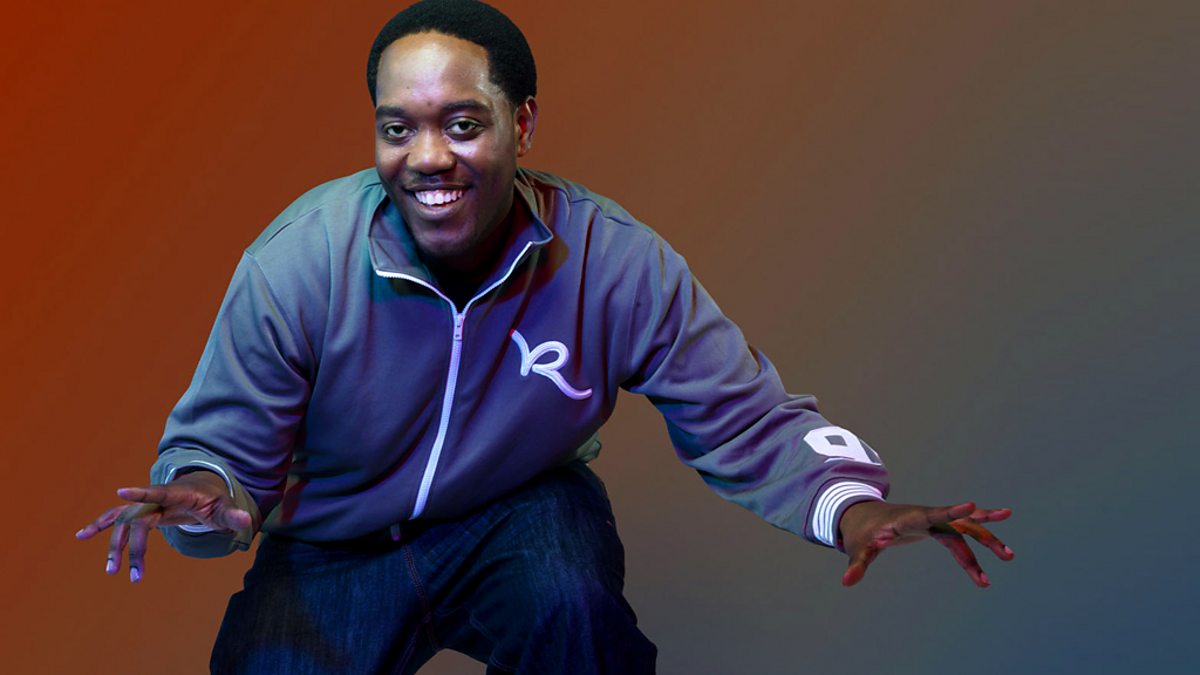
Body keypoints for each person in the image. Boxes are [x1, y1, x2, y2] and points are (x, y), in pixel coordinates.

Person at [76, 1, 1013, 672]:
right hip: (334, 544)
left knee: (575, 615)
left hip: (517, 514)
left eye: (463, 123)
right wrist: (209, 494)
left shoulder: (610, 259)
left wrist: (851, 509)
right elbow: (223, 453)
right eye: (398, 128)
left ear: (522, 122)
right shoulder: (301, 259)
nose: (428, 157)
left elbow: (743, 416)